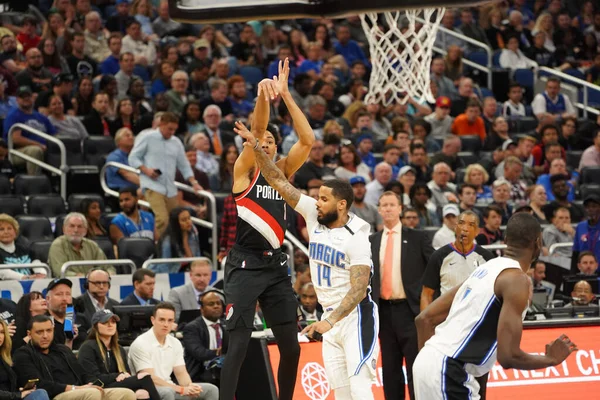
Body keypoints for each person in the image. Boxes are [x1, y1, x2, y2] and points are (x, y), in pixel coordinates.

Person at [236, 118, 379, 398]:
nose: (316, 201)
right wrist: (256, 146)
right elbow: (277, 180)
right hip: (329, 317)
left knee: (361, 389)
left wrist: (330, 321)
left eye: (323, 198)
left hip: (354, 317)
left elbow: (359, 288)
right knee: (341, 393)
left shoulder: (357, 235)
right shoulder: (314, 216)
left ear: (341, 204)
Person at [220, 59, 313, 400]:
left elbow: (307, 139)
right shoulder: (245, 171)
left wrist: (286, 95)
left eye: (274, 141)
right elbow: (258, 131)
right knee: (238, 348)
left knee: (291, 348)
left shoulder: (284, 174)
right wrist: (263, 97)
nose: (269, 143)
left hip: (275, 266)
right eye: (265, 141)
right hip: (244, 266)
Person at [413, 213, 577, 399]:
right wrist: (550, 359)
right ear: (538, 243)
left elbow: (424, 319)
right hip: (449, 371)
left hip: (427, 362)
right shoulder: (517, 280)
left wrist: (429, 366)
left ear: (506, 240)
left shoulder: (484, 269)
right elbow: (508, 357)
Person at [369, 191, 433, 400]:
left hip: (411, 310)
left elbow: (434, 269)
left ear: (400, 208)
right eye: (384, 205)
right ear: (379, 209)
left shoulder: (418, 237)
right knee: (390, 368)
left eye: (391, 204)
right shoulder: (371, 241)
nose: (387, 208)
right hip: (384, 311)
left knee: (416, 365)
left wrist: (429, 305)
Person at [14, 314, 136, 400]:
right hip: (57, 395)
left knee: (126, 394)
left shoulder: (63, 350)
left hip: (80, 389)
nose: (45, 336)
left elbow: (83, 374)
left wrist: (96, 384)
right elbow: (39, 385)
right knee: (92, 394)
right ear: (29, 334)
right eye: (39, 332)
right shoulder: (23, 354)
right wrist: (74, 388)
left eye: (49, 331)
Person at [128, 112, 202, 237]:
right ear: (161, 124)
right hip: (152, 185)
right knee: (162, 219)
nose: (172, 132)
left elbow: (184, 164)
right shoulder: (147, 137)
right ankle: (160, 250)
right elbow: (133, 157)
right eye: (169, 129)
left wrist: (194, 182)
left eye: (174, 129)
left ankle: (173, 249)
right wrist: (146, 170)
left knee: (176, 219)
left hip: (170, 188)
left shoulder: (176, 142)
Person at [127, 303, 219, 400]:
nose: (166, 324)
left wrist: (190, 387)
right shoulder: (140, 343)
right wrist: (181, 389)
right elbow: (149, 379)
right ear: (153, 320)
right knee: (167, 392)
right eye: (162, 320)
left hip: (171, 387)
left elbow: (181, 373)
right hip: (148, 389)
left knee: (211, 389)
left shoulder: (175, 343)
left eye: (170, 320)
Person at [77, 310, 161, 399]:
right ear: (96, 326)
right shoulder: (88, 347)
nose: (110, 325)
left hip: (115, 385)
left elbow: (126, 374)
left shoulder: (119, 349)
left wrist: (122, 375)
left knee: (142, 393)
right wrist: (117, 375)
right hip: (97, 388)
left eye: (113, 322)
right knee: (144, 377)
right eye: (105, 322)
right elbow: (92, 379)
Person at [421, 211, 495, 310]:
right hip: (447, 318)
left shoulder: (487, 258)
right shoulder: (439, 256)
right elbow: (427, 294)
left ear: (477, 231)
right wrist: (425, 323)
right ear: (455, 227)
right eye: (461, 223)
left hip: (475, 317)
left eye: (471, 225)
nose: (465, 228)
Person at [181, 290, 226, 385]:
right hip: (201, 373)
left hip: (225, 370)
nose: (216, 306)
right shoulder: (192, 328)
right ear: (201, 309)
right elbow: (199, 353)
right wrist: (221, 351)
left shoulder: (226, 325)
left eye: (218, 303)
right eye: (211, 304)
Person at [0, 317, 50, 400]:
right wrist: (18, 395)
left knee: (39, 392)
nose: (0, 336)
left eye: (2, 332)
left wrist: (19, 391)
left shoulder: (4, 358)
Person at [47, 213, 111, 277]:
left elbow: (108, 267)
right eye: (72, 226)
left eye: (80, 226)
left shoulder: (92, 245)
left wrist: (109, 274)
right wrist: (84, 277)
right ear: (64, 229)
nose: (76, 230)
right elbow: (59, 272)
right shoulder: (57, 245)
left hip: (93, 283)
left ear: (85, 230)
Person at [0, 214, 47, 279]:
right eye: (1, 229)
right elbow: (2, 272)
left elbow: (36, 263)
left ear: (15, 231)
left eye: (9, 228)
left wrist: (41, 274)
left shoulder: (25, 249)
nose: (6, 232)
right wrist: (25, 277)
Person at [154, 208, 200, 273]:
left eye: (189, 218)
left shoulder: (193, 232)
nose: (188, 222)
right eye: (184, 220)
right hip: (171, 273)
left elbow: (197, 257)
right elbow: (164, 267)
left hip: (188, 272)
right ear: (176, 223)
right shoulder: (167, 241)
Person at [571, 194, 600, 273]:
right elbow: (575, 253)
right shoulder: (580, 226)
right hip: (583, 273)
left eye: (594, 206)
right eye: (588, 207)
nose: (590, 209)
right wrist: (573, 274)